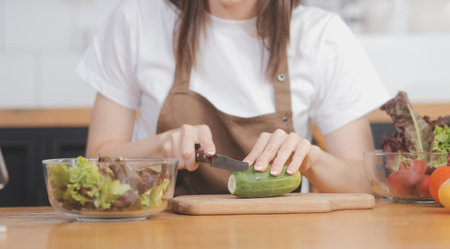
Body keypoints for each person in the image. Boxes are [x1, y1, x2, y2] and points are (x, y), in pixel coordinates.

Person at [76, 0, 391, 195]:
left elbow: (366, 183)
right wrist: (160, 147)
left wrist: (311, 159)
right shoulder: (135, 21)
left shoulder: (322, 35)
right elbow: (96, 161)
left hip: (288, 237)